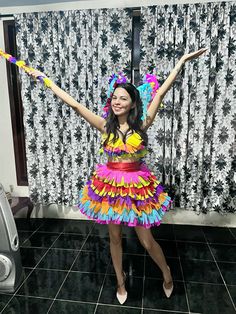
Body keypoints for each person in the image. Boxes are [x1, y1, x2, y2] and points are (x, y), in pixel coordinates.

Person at [28, 47, 207, 304]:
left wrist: (180, 62)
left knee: (146, 240)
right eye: (114, 98)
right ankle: (120, 281)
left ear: (133, 103)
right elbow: (75, 104)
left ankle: (167, 273)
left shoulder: (142, 124)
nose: (117, 102)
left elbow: (162, 91)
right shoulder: (105, 126)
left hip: (137, 185)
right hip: (110, 186)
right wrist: (44, 79)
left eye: (123, 98)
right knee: (114, 237)